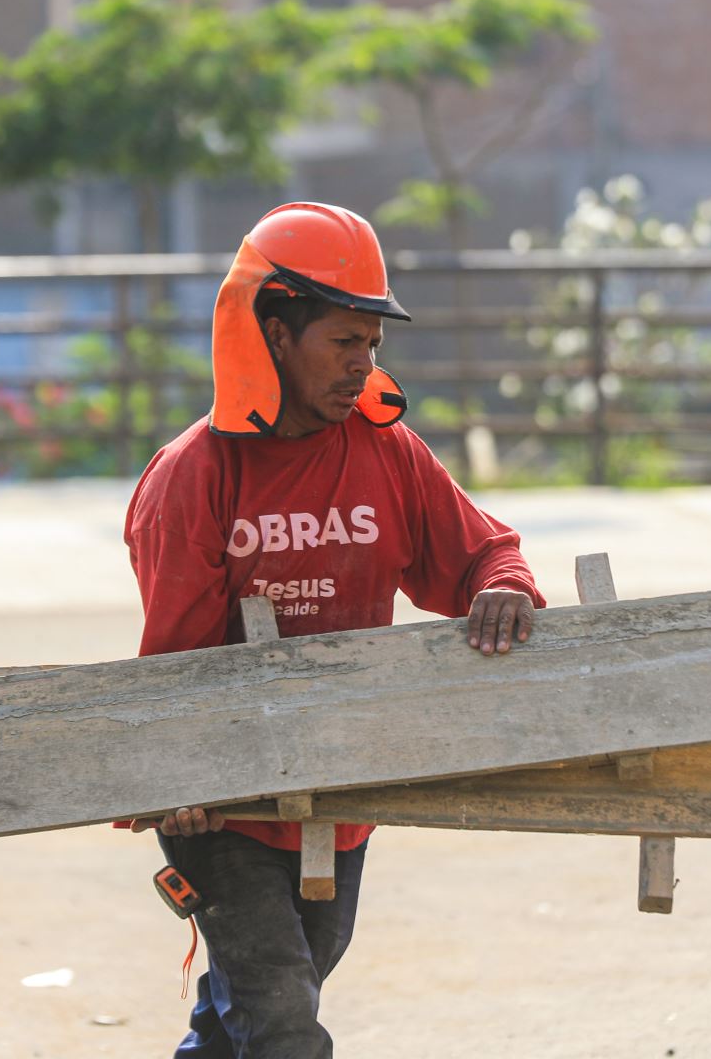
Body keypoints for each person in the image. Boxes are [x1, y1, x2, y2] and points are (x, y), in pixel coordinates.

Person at [122, 201, 545, 1058]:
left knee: (248, 1015)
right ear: (275, 331)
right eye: (342, 343)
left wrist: (504, 585)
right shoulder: (192, 480)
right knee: (282, 1026)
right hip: (225, 809)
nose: (361, 366)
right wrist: (183, 772)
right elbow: (175, 663)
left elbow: (481, 552)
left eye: (372, 347)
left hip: (341, 788)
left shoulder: (386, 451)